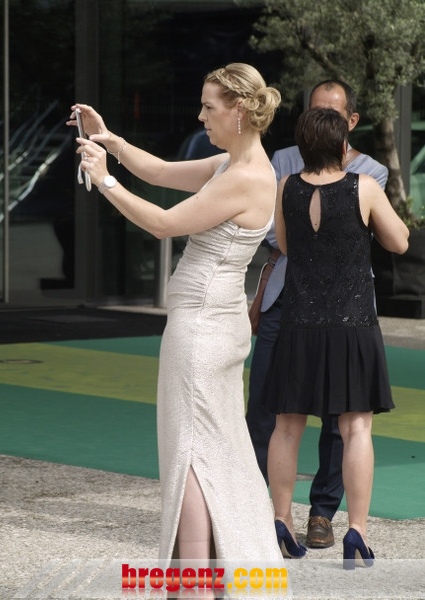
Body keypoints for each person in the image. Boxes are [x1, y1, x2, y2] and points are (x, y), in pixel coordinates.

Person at [67, 64, 284, 568]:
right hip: (212, 325)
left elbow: (164, 224)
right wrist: (111, 141)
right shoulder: (235, 164)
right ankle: (211, 574)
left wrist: (105, 180)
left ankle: (194, 582)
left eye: (209, 107)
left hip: (202, 331)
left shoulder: (243, 176)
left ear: (239, 110)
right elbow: (162, 173)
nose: (201, 116)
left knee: (191, 456)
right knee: (210, 452)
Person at [246, 79, 389, 549]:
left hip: (318, 312)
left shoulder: (361, 173)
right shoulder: (291, 165)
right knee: (277, 412)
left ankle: (311, 515)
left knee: (314, 424)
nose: (322, 119)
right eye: (316, 111)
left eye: (331, 112)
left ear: (350, 121)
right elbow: (392, 239)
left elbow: (285, 241)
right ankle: (294, 516)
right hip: (315, 309)